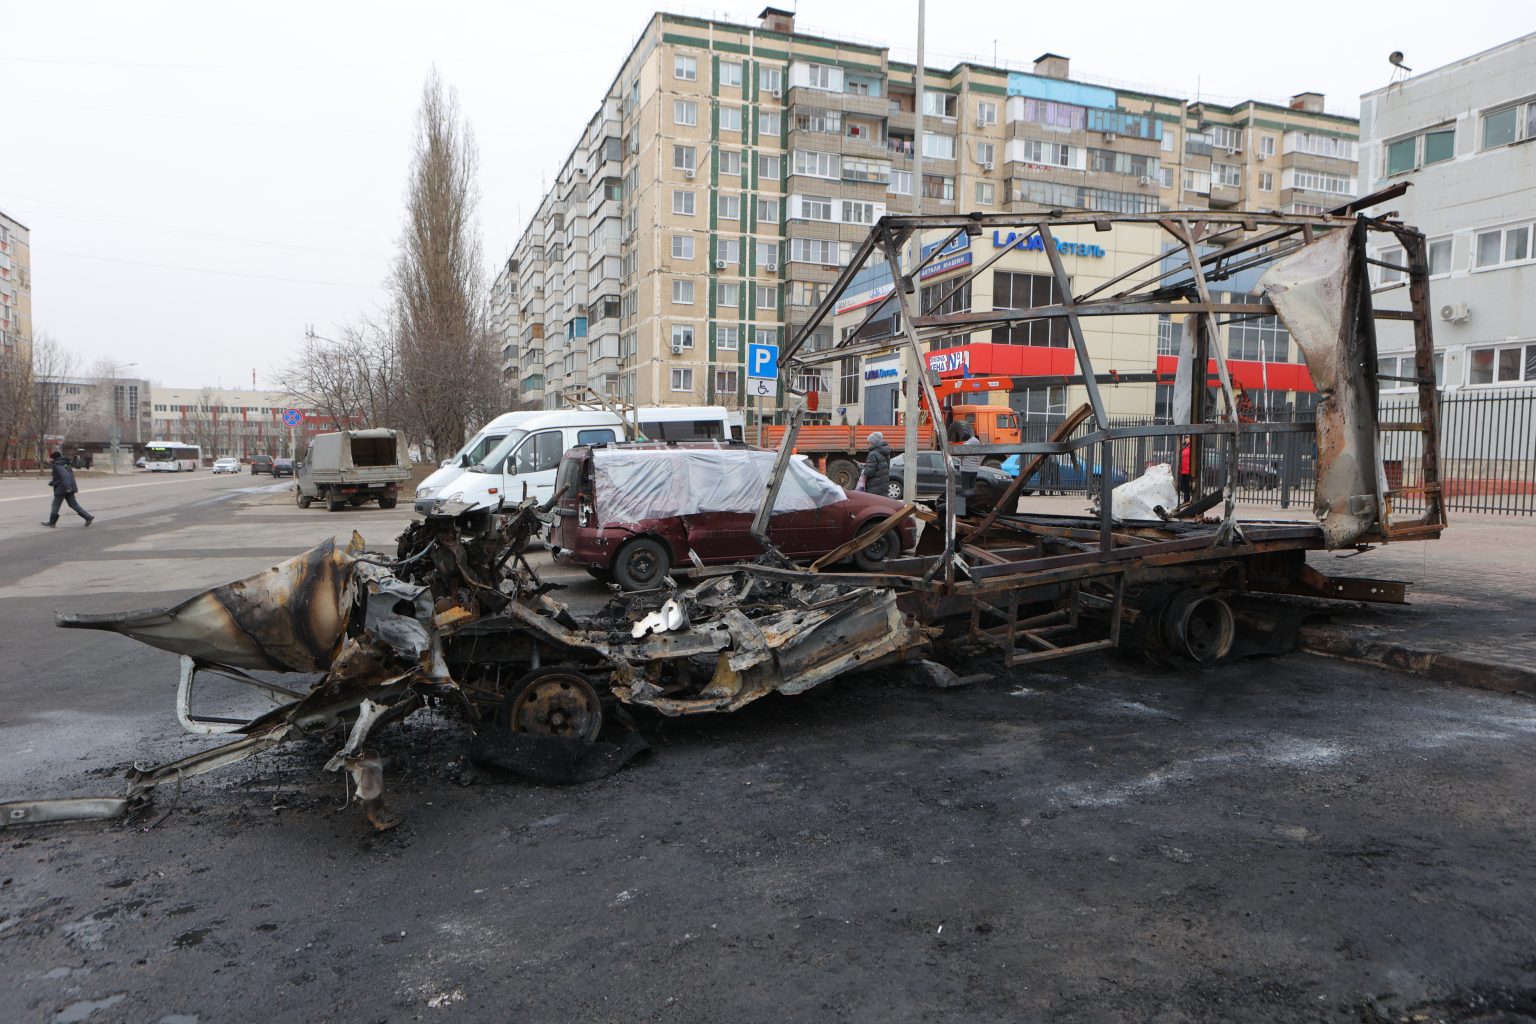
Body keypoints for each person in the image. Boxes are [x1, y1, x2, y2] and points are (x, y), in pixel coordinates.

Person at [42, 450, 93, 528]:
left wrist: (68, 487)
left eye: (51, 458)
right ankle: (88, 517)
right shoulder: (64, 463)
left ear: (54, 458)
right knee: (73, 504)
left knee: (55, 505)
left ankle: (52, 523)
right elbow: (61, 476)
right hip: (67, 487)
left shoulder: (58, 464)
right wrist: (53, 482)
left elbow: (65, 475)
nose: (50, 459)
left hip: (62, 488)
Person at [863, 431, 893, 497]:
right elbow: (886, 468)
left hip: (874, 488)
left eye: (868, 442)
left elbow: (869, 472)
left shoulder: (872, 454)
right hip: (884, 486)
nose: (868, 445)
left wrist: (861, 468)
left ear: (872, 442)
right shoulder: (886, 453)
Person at [956, 421, 982, 496]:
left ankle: (966, 501)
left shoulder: (966, 445)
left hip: (966, 469)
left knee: (965, 488)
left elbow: (960, 456)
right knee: (972, 487)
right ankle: (972, 500)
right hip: (974, 470)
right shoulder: (977, 444)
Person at [1178, 437, 1194, 505]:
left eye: (1187, 437)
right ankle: (1186, 500)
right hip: (1183, 470)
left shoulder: (1192, 447)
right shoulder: (1184, 447)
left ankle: (1193, 499)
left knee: (1190, 486)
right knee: (1184, 487)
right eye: (1185, 438)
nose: (1185, 439)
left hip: (1189, 470)